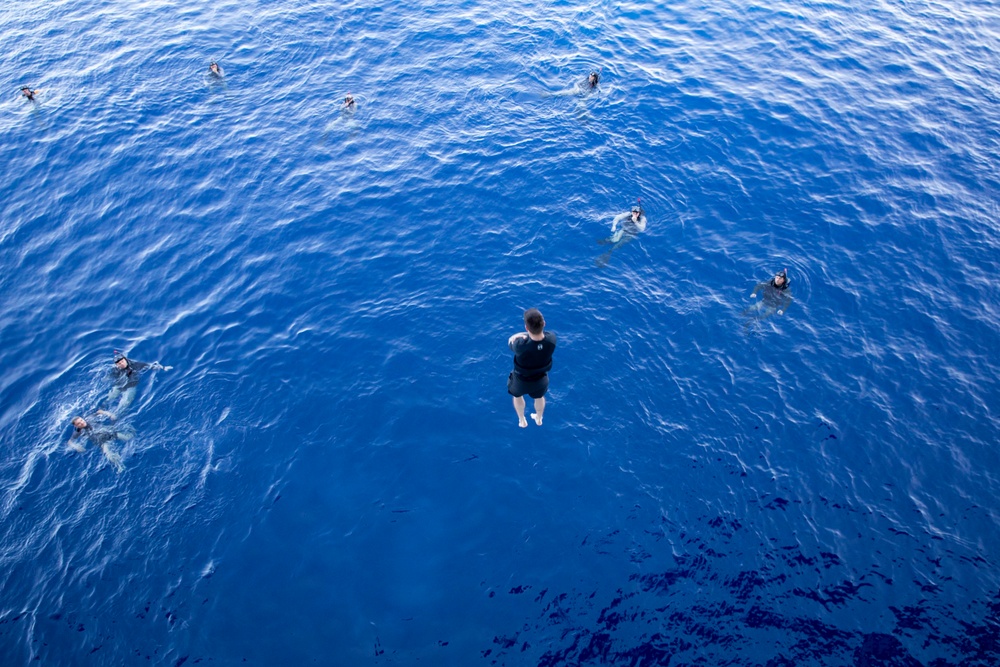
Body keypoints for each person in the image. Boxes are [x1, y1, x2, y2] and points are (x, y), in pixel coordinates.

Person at [507, 308, 557, 428]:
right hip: (541, 380)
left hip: (521, 381)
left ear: (526, 328)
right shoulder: (551, 339)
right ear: (544, 324)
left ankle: (522, 420)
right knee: (539, 397)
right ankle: (539, 418)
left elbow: (510, 341)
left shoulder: (520, 346)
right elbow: (541, 338)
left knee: (517, 396)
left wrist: (520, 335)